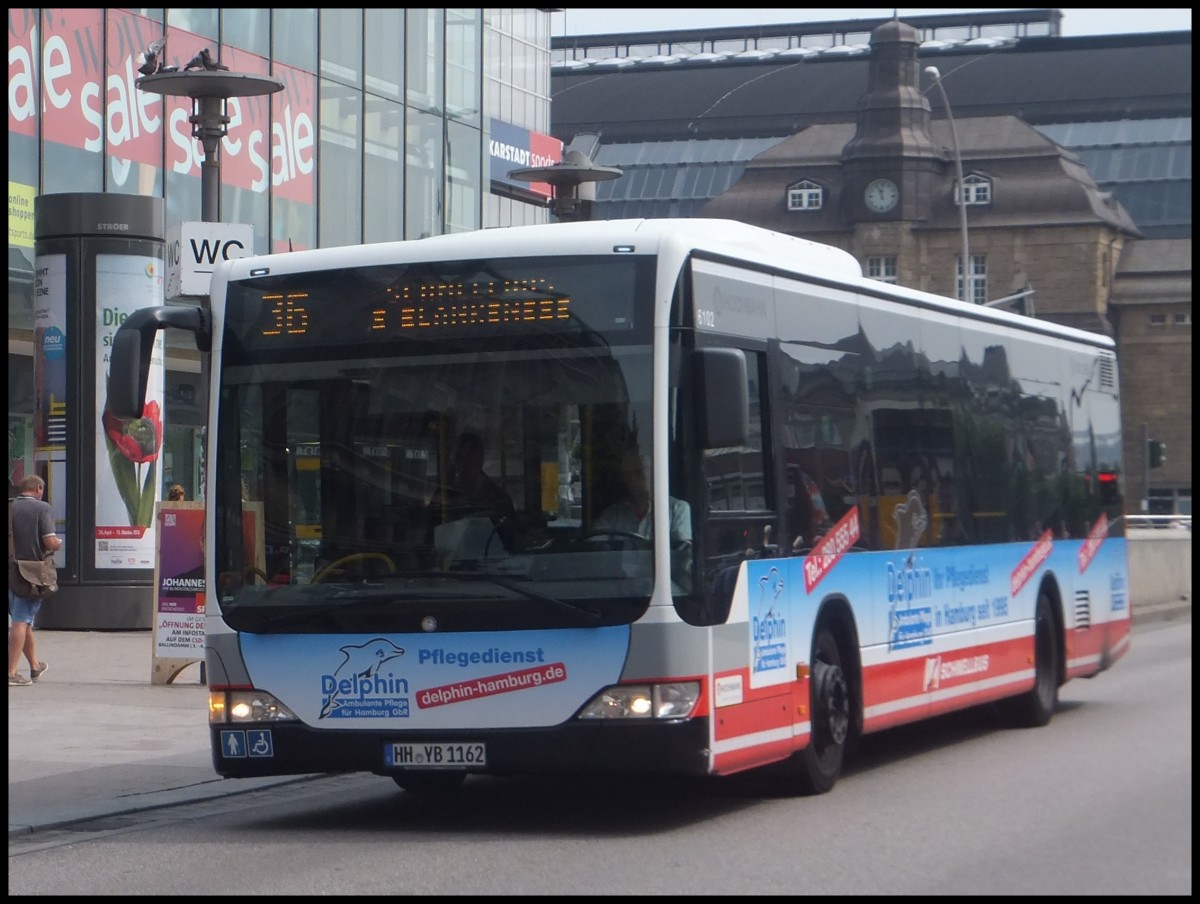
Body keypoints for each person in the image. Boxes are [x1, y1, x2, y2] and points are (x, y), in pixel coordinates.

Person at [9, 475, 61, 686]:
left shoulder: (10, 506)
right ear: (39, 488)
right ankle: (11, 673)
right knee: (21, 622)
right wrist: (57, 544)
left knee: (24, 621)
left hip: (9, 570)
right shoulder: (42, 508)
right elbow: (48, 540)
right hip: (29, 574)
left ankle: (35, 666)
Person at [594, 448, 691, 547]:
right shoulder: (613, 515)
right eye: (627, 475)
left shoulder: (677, 509)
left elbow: (682, 554)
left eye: (638, 473)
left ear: (654, 475)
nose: (632, 480)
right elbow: (594, 547)